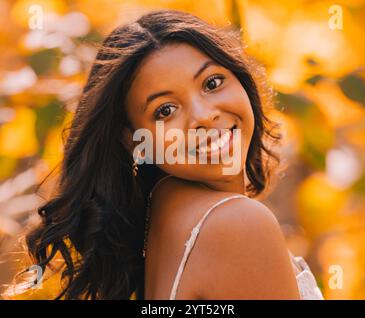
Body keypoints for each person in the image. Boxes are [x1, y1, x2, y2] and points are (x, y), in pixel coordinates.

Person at [22, 9, 323, 300]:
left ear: (240, 78)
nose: (204, 117)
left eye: (212, 83)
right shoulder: (238, 223)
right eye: (165, 110)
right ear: (133, 140)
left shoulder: (165, 205)